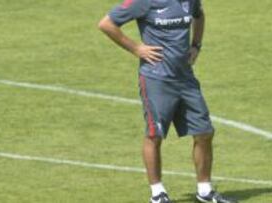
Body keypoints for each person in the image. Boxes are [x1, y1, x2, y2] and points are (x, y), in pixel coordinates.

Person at [98, 0, 238, 202]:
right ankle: (157, 194)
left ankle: (205, 190)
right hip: (156, 79)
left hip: (185, 78)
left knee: (204, 132)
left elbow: (199, 15)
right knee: (155, 135)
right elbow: (106, 24)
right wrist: (136, 48)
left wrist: (196, 45)